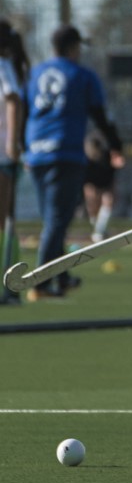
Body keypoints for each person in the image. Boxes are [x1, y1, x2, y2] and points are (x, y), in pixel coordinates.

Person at [22, 24, 124, 301]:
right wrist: (116, 145)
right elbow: (100, 115)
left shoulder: (35, 73)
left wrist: (24, 148)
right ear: (73, 47)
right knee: (58, 220)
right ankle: (41, 283)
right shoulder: (81, 75)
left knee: (53, 219)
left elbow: (24, 111)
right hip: (64, 152)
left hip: (37, 152)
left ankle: (62, 276)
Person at [0, 20, 29, 304]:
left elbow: (12, 100)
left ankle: (8, 286)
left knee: (3, 220)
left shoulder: (3, 66)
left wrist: (11, 142)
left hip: (2, 154)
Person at [82, 127, 122, 242]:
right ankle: (97, 229)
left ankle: (99, 231)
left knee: (108, 201)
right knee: (93, 205)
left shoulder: (109, 150)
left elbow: (118, 162)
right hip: (92, 182)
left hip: (106, 180)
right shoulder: (87, 158)